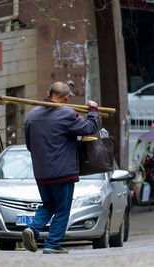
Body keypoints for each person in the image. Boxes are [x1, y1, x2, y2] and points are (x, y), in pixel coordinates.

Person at [22, 81, 99, 254]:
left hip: (41, 173)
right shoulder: (66, 114)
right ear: (66, 97)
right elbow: (90, 128)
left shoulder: (32, 115)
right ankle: (52, 244)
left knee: (48, 205)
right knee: (62, 209)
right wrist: (93, 110)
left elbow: (29, 145)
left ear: (48, 94)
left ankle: (32, 229)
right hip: (62, 173)